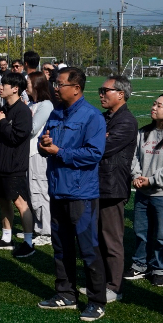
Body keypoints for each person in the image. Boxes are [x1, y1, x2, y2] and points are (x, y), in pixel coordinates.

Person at [37, 67, 107, 321]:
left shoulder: (92, 117)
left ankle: (97, 301)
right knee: (61, 246)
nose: (55, 87)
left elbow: (93, 154)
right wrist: (44, 146)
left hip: (81, 194)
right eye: (55, 83)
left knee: (88, 249)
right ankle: (65, 293)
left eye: (60, 84)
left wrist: (59, 152)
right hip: (57, 190)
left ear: (76, 88)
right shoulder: (56, 113)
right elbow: (43, 143)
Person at [91, 76, 137, 303]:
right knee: (98, 237)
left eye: (105, 90)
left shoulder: (126, 120)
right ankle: (101, 284)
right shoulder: (106, 117)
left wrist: (97, 138)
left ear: (121, 93)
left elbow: (102, 147)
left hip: (112, 187)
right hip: (98, 184)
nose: (101, 94)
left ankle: (114, 287)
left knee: (112, 240)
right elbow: (92, 140)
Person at [0, 72, 35, 258]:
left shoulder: (22, 111)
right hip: (0, 163)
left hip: (14, 165)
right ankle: (6, 238)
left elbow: (17, 137)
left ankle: (28, 242)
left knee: (20, 203)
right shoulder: (4, 108)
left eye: (4, 85)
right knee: (3, 201)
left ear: (15, 88)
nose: (0, 87)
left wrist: (2, 122)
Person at [126, 94, 163, 288]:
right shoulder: (144, 133)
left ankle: (159, 268)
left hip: (160, 194)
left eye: (159, 105)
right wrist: (136, 176)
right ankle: (140, 264)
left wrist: (152, 180)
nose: (154, 107)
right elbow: (135, 158)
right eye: (154, 104)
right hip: (142, 192)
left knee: (160, 234)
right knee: (141, 231)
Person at [25, 72, 54, 246]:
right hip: (27, 153)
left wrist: (23, 119)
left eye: (28, 82)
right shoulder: (31, 104)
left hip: (37, 153)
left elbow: (32, 129)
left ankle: (47, 232)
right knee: (31, 191)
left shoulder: (46, 105)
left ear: (36, 85)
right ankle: (37, 227)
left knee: (40, 190)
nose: (26, 85)